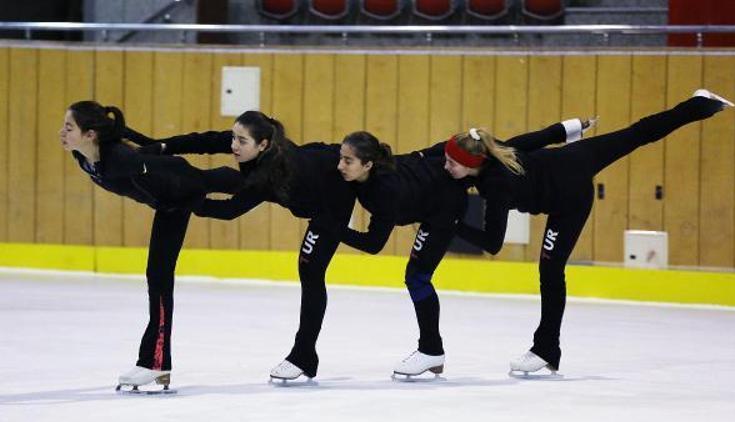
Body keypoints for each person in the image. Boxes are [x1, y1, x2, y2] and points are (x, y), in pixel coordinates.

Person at [434, 89, 733, 376]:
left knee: (550, 273)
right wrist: (576, 126)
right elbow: (544, 136)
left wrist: (451, 227)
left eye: (451, 163)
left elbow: (493, 244)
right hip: (576, 156)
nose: (445, 167)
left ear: (472, 164)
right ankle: (700, 105)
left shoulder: (497, 188)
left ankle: (546, 350)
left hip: (569, 201)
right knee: (637, 133)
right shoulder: (497, 148)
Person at [335, 119, 590, 378]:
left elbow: (373, 243)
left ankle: (431, 350)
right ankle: (431, 350)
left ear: (367, 164)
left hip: (443, 210)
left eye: (347, 161)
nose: (340, 166)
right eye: (341, 159)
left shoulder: (385, 192)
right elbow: (524, 141)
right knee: (415, 276)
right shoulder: (387, 166)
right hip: (432, 201)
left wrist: (331, 228)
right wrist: (570, 128)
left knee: (417, 277)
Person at [125, 112, 356, 383]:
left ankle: (304, 355)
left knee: (311, 272)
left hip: (332, 199)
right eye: (234, 137)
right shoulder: (251, 146)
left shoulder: (269, 174)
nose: (234, 145)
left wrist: (183, 199)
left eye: (241, 141)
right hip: (317, 162)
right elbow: (205, 141)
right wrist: (163, 147)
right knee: (225, 175)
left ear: (263, 145)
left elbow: (229, 210)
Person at [60, 101, 244, 393]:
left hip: (181, 191)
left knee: (236, 184)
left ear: (90, 134)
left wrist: (167, 165)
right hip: (168, 202)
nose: (62, 132)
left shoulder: (120, 159)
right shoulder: (83, 157)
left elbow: (154, 162)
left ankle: (155, 363)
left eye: (69, 127)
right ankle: (156, 364)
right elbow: (137, 143)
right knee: (157, 278)